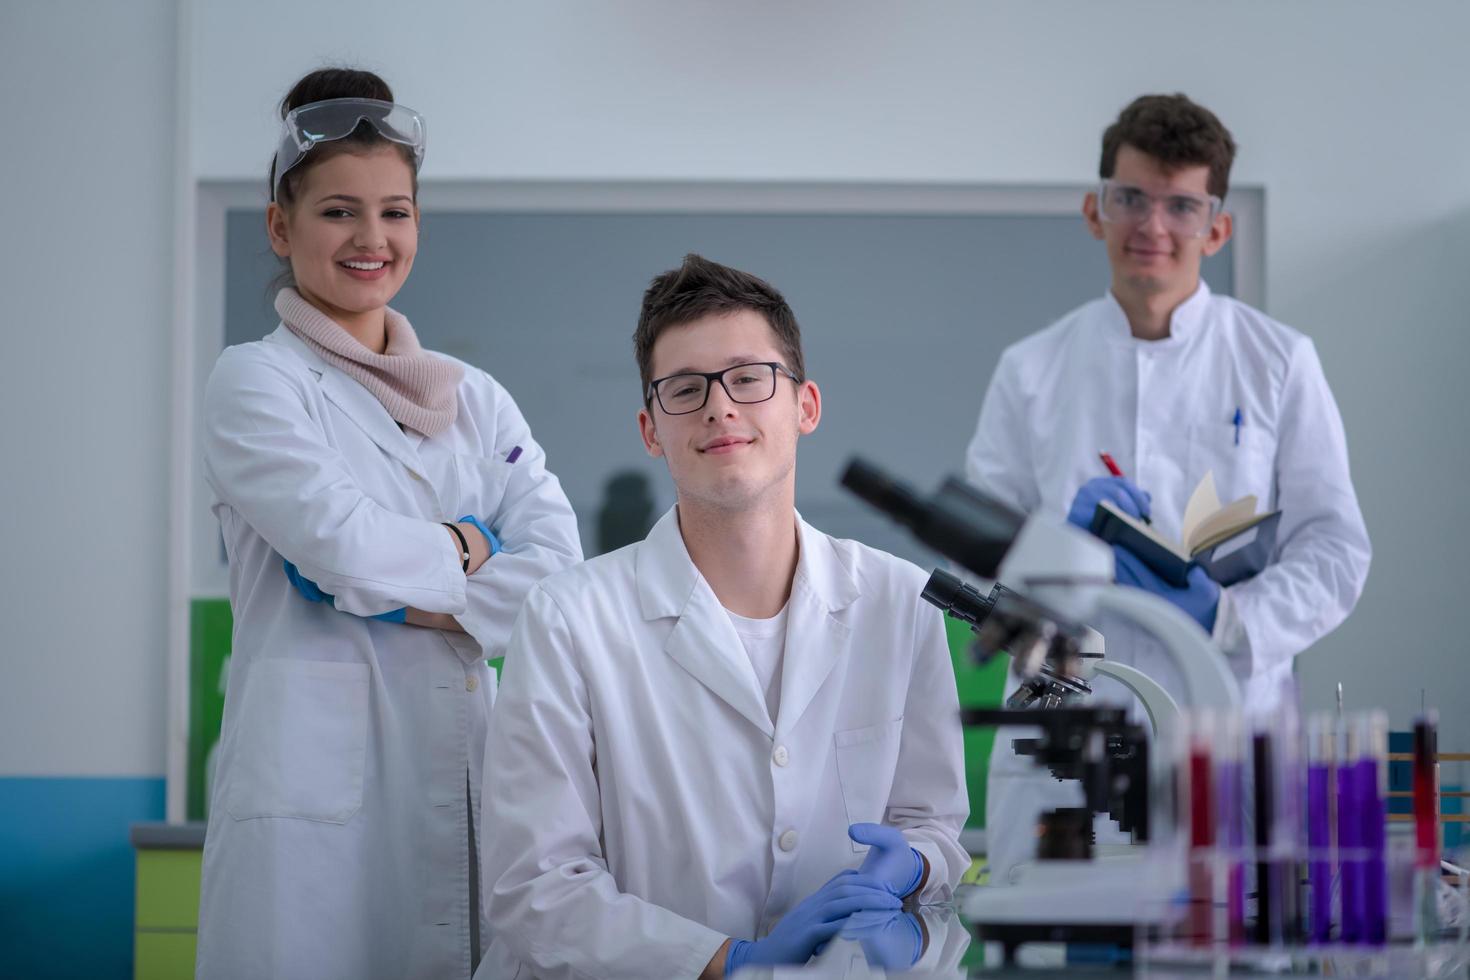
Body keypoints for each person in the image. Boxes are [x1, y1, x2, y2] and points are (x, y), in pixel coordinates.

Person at [478, 254, 969, 978]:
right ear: (650, 430)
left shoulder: (900, 602)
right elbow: (534, 887)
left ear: (805, 406)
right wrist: (725, 962)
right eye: (685, 389)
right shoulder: (569, 619)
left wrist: (917, 865)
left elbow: (934, 828)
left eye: (748, 378)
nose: (719, 407)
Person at [195, 68, 582, 979]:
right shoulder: (257, 382)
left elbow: (560, 577)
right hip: (309, 806)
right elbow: (345, 549)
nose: (372, 239)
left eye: (396, 211)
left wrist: (406, 587)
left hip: (469, 783)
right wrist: (469, 545)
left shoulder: (474, 398)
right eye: (338, 212)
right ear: (279, 227)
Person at [965, 93, 1371, 883]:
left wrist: (1228, 617)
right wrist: (1057, 570)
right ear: (1095, 210)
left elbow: (1335, 550)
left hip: (1227, 729)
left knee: (1227, 938)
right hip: (1070, 721)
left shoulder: (1279, 363)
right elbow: (988, 556)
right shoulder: (1032, 369)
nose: (1153, 226)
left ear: (1216, 227)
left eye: (1182, 205)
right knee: (1056, 945)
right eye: (1131, 199)